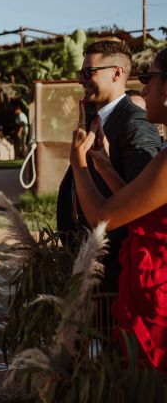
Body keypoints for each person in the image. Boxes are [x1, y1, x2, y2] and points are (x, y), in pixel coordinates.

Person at [70, 48, 167, 370]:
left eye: (148, 78)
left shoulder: (136, 124)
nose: (144, 89)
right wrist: (106, 167)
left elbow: (107, 217)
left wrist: (79, 163)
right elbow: (145, 200)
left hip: (154, 290)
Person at [57, 40, 162, 292]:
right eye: (80, 73)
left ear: (117, 73)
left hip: (116, 270)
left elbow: (144, 207)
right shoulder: (95, 118)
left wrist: (79, 161)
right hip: (89, 262)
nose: (81, 80)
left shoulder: (135, 124)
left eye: (88, 72)